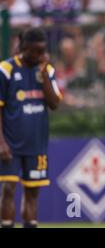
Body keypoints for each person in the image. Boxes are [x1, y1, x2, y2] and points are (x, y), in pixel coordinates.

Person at [0, 28, 62, 228]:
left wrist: (44, 78)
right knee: (8, 188)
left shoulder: (47, 70)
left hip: (37, 144)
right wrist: (1, 143)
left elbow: (54, 104)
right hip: (10, 144)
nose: (39, 56)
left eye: (42, 51)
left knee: (32, 192)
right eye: (35, 51)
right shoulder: (6, 70)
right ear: (23, 48)